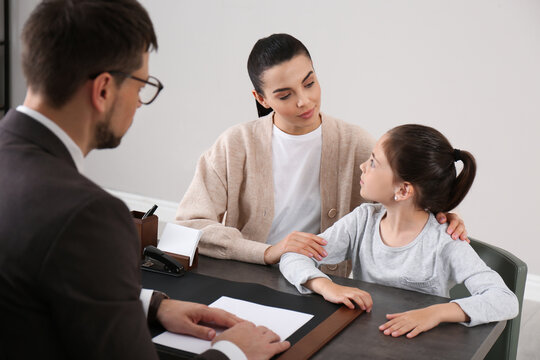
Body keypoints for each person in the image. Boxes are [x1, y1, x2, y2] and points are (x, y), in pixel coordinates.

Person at [0, 1, 289, 359]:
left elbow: (24, 286)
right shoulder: (89, 215)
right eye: (141, 85)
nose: (140, 102)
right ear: (104, 89)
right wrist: (233, 351)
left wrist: (150, 305)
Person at [176, 33, 468, 277]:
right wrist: (266, 252)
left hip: (322, 285)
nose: (304, 101)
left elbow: (398, 204)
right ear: (261, 99)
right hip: (245, 277)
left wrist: (437, 219)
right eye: (284, 94)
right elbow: (190, 225)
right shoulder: (234, 144)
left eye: (309, 83)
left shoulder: (356, 145)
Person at [279, 124, 519, 338]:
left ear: (404, 191)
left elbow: (504, 300)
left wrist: (436, 313)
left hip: (421, 345)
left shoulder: (445, 240)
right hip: (366, 336)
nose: (363, 166)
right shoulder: (362, 221)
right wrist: (327, 287)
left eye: (373, 162)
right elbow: (294, 254)